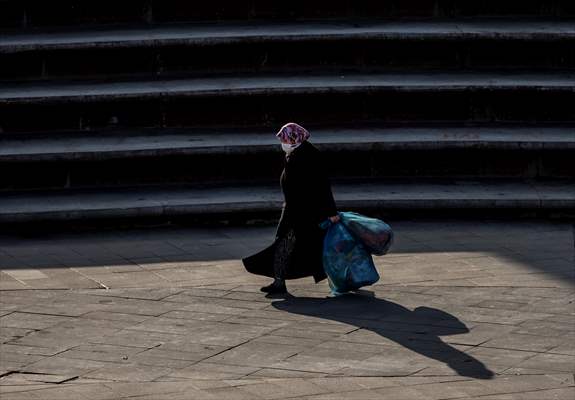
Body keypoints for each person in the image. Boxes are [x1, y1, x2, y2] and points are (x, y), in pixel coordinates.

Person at [242, 123, 340, 294]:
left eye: (285, 139)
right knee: (287, 246)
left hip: (303, 213)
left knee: (285, 246)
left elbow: (322, 186)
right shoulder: (295, 153)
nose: (283, 143)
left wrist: (331, 212)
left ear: (294, 139)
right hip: (294, 211)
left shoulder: (309, 156)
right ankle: (279, 281)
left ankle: (280, 282)